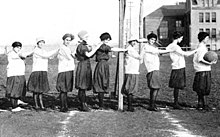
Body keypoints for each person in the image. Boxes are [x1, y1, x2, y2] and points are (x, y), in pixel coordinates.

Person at [93, 32, 127, 110]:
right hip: (102, 65)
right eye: (107, 40)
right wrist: (123, 50)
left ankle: (101, 103)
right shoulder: (101, 46)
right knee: (101, 83)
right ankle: (101, 104)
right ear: (103, 39)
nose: (107, 41)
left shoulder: (103, 46)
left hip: (104, 65)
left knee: (103, 83)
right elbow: (112, 49)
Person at [166, 31, 197, 109]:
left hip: (177, 67)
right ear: (178, 38)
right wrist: (195, 50)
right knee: (177, 86)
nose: (182, 39)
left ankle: (176, 102)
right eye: (181, 38)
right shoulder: (175, 47)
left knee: (177, 87)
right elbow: (186, 54)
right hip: (178, 67)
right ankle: (175, 103)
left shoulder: (170, 45)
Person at [140, 33, 171, 111]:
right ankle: (152, 105)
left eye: (154, 40)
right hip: (152, 69)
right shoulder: (147, 47)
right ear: (148, 39)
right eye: (151, 39)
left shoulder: (151, 47)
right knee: (155, 87)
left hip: (154, 69)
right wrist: (171, 50)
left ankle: (152, 104)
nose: (153, 41)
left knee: (154, 88)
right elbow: (159, 52)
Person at [27, 37, 59, 111]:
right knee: (35, 90)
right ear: (37, 43)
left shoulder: (43, 51)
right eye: (40, 42)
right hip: (36, 71)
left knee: (40, 90)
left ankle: (41, 105)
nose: (41, 44)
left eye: (42, 42)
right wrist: (57, 49)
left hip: (43, 71)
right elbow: (46, 55)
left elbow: (50, 57)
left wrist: (57, 52)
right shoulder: (36, 51)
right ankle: (37, 105)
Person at [75, 30, 103, 112]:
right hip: (83, 66)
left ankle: (83, 104)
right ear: (82, 38)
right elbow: (88, 55)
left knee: (83, 86)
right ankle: (83, 104)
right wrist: (97, 47)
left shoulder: (84, 45)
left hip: (86, 65)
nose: (87, 38)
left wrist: (93, 48)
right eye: (86, 37)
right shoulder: (81, 46)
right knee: (82, 86)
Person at [193, 32, 217, 111]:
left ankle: (202, 104)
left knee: (204, 88)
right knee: (201, 88)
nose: (207, 39)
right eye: (206, 38)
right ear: (203, 38)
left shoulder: (203, 46)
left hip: (204, 69)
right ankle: (200, 105)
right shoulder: (201, 47)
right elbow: (200, 59)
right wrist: (210, 63)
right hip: (202, 70)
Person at [6, 41, 33, 112]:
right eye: (17, 47)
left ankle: (17, 101)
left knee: (19, 89)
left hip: (20, 73)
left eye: (20, 47)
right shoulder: (12, 54)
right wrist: (33, 51)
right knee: (14, 90)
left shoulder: (17, 53)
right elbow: (24, 55)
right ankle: (14, 107)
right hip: (14, 74)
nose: (18, 49)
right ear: (13, 47)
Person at [121, 37, 142, 112]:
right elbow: (139, 57)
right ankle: (130, 106)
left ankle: (129, 104)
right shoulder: (130, 49)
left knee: (131, 88)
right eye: (133, 41)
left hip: (133, 70)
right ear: (130, 42)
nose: (134, 43)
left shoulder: (132, 49)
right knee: (130, 88)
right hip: (131, 70)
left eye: (135, 41)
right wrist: (143, 50)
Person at [56, 33, 75, 112]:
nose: (68, 41)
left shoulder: (67, 48)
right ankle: (63, 106)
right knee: (63, 89)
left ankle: (65, 105)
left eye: (69, 40)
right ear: (63, 40)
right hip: (64, 70)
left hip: (69, 69)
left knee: (66, 89)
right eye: (66, 40)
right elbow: (70, 57)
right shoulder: (63, 48)